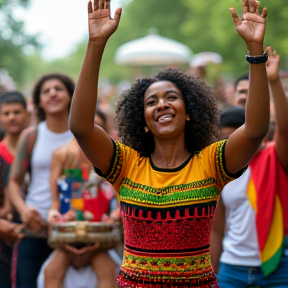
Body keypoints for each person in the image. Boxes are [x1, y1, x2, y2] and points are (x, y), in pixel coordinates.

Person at [69, 0, 270, 287]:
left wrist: (255, 52)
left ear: (189, 112)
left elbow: (254, 130)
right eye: (151, 102)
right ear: (143, 119)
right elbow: (80, 127)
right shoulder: (124, 164)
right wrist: (96, 43)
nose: (162, 105)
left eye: (171, 98)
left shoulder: (211, 161)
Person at [210, 47, 288, 287]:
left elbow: (285, 130)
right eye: (225, 139)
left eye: (238, 137)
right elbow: (217, 230)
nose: (232, 145)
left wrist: (273, 81)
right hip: (232, 271)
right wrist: (212, 276)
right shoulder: (219, 169)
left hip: (278, 270)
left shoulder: (274, 157)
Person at [8, 73, 74, 288]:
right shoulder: (31, 135)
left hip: (74, 232)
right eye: (46, 91)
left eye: (58, 89)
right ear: (38, 102)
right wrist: (24, 211)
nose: (52, 93)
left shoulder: (84, 135)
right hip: (33, 230)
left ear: (71, 96)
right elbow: (14, 182)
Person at [44, 109, 118, 288]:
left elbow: (119, 201)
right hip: (68, 233)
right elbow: (55, 202)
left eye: (95, 125)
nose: (89, 130)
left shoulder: (111, 157)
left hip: (99, 235)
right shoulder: (61, 154)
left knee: (108, 272)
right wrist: (53, 215)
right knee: (51, 273)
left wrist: (115, 216)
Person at [0, 91, 28, 288]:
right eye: (6, 113)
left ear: (26, 114)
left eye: (16, 112)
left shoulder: (39, 153)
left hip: (33, 233)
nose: (12, 117)